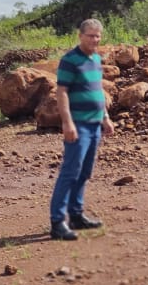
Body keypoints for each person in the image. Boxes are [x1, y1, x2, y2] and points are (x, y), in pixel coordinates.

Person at [48, 18, 114, 240]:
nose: (95, 39)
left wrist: (105, 117)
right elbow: (62, 92)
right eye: (90, 36)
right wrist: (67, 122)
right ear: (81, 35)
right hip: (78, 125)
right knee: (70, 172)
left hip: (95, 124)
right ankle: (57, 222)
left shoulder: (96, 59)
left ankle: (76, 215)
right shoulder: (70, 60)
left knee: (85, 172)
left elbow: (97, 90)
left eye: (98, 36)